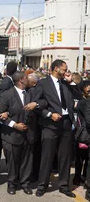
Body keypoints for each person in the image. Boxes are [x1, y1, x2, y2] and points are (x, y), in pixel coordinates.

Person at [33, 60, 76, 198]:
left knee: (65, 157)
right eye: (64, 69)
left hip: (66, 123)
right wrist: (49, 115)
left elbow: (79, 96)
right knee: (47, 156)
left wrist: (71, 82)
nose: (66, 72)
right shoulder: (43, 83)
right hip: (50, 124)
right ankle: (42, 185)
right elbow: (36, 104)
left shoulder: (66, 84)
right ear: (56, 69)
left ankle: (64, 185)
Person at [0, 71, 39, 195]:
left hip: (28, 134)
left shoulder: (31, 93)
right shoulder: (7, 95)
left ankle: (25, 183)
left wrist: (35, 104)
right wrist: (14, 125)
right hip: (12, 135)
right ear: (21, 80)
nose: (29, 80)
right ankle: (12, 184)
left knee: (27, 160)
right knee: (13, 162)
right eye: (26, 78)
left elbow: (41, 103)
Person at [74, 81, 90, 186]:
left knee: (82, 157)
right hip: (85, 133)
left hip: (82, 132)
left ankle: (79, 177)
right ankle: (79, 177)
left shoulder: (82, 101)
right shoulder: (84, 102)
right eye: (87, 87)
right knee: (83, 157)